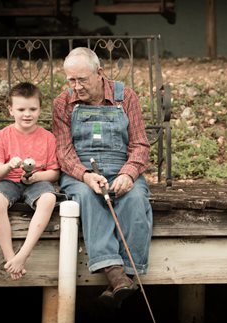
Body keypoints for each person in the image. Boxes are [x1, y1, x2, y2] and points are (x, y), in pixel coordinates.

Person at [53, 47, 153, 306]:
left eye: (82, 79)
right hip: (81, 173)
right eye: (71, 80)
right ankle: (115, 274)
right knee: (87, 197)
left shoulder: (125, 97)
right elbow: (63, 152)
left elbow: (140, 144)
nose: (76, 87)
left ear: (100, 73)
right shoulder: (63, 103)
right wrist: (85, 176)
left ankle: (125, 278)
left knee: (135, 199)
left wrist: (129, 175)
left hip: (121, 167)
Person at [0, 82, 66, 280]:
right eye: (21, 109)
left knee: (49, 199)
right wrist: (9, 166)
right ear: (11, 110)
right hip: (8, 181)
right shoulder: (2, 136)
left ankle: (24, 253)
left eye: (33, 109)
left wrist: (37, 176)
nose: (27, 114)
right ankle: (11, 258)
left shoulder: (48, 138)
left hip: (36, 182)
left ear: (40, 109)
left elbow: (54, 173)